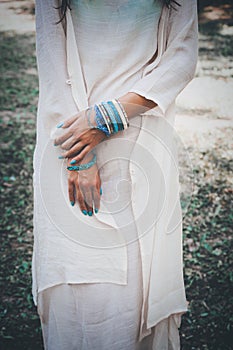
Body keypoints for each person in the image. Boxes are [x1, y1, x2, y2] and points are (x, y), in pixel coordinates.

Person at [32, 0, 198, 349]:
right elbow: (51, 64)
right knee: (75, 284)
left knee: (130, 299)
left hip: (140, 147)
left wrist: (105, 119)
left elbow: (181, 57)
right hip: (67, 145)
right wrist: (79, 157)